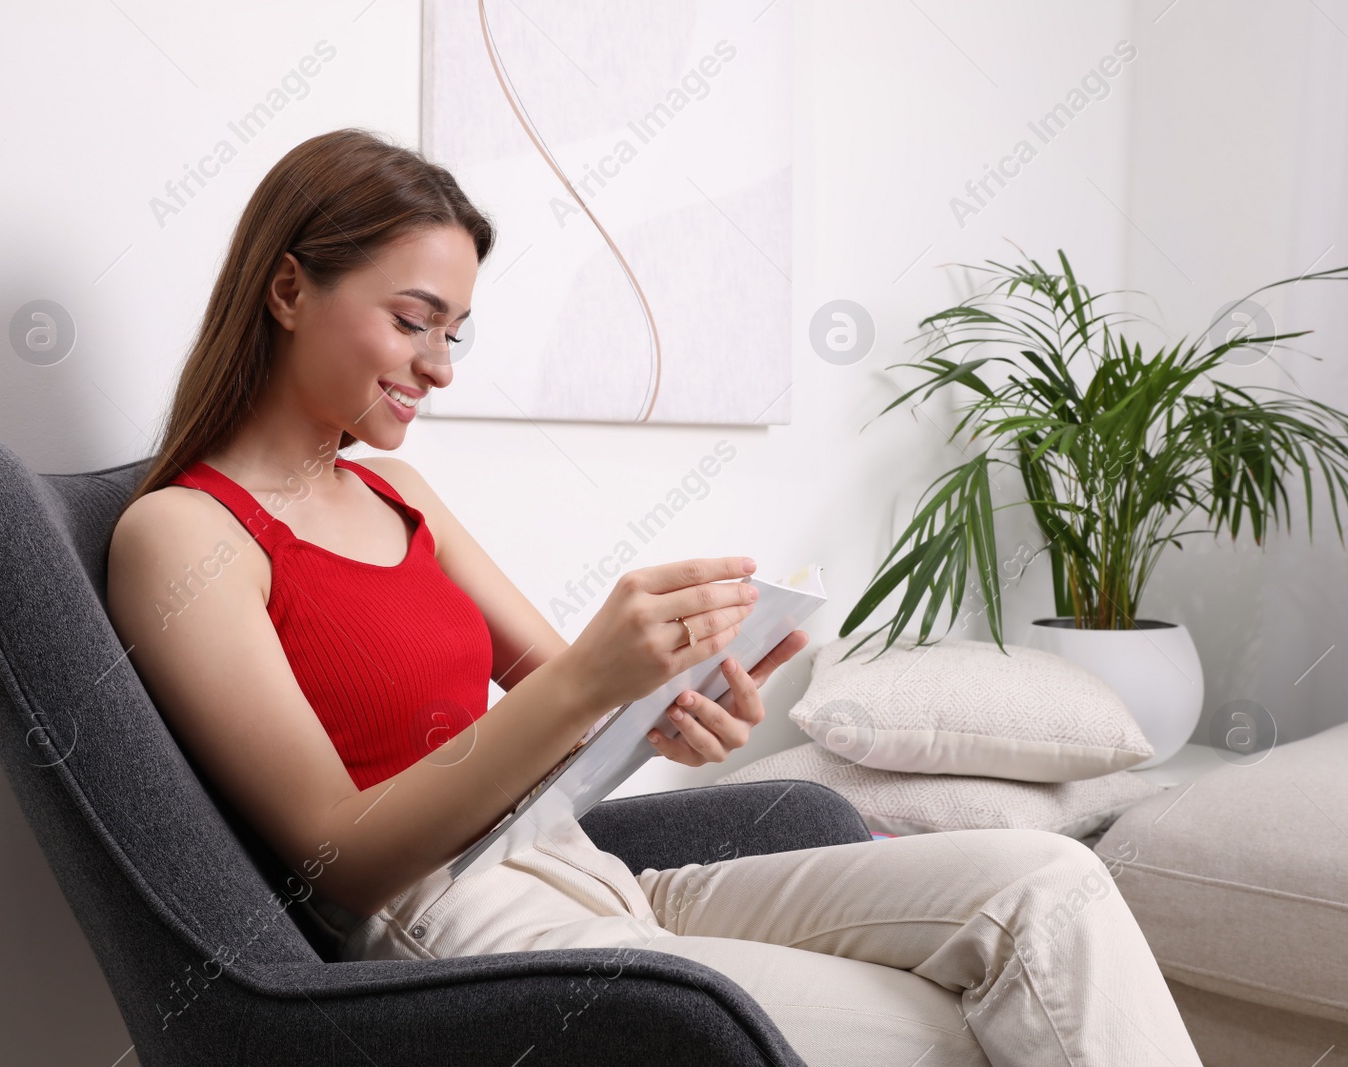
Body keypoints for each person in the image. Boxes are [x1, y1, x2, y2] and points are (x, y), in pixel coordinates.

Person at [105, 127, 1203, 1067]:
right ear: (289, 287)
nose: (440, 364)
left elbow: (562, 698)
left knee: (1049, 890)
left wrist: (671, 702)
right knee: (968, 1024)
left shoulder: (401, 496)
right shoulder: (184, 536)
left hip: (578, 867)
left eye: (455, 330)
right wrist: (592, 674)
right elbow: (336, 856)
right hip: (449, 924)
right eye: (412, 318)